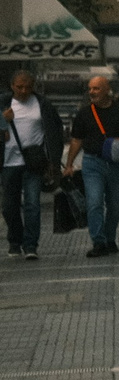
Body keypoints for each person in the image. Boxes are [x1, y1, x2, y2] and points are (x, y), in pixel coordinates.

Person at [67, 74, 119, 259]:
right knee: (94, 202)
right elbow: (77, 139)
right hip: (92, 162)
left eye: (96, 88)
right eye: (90, 89)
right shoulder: (85, 113)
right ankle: (99, 241)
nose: (92, 92)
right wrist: (69, 164)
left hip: (116, 164)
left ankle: (110, 239)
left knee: (114, 204)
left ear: (107, 90)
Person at [2, 71, 63, 262]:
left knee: (32, 204)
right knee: (9, 206)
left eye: (28, 86)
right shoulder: (3, 103)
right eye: (19, 87)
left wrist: (53, 160)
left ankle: (30, 245)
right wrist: (4, 121)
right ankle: (15, 239)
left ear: (33, 85)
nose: (23, 90)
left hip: (33, 163)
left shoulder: (43, 104)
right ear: (12, 86)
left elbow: (55, 130)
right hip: (8, 163)